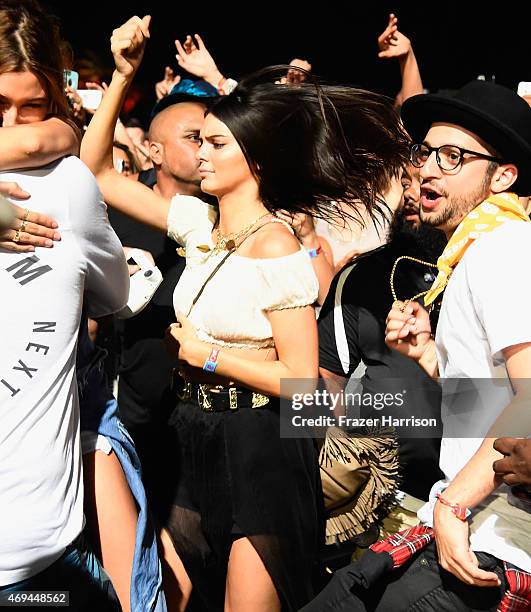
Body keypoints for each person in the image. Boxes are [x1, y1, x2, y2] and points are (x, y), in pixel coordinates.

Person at [80, 15, 409, 611]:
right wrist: (122, 75)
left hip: (260, 446)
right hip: (188, 431)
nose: (199, 156)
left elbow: (305, 383)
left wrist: (206, 353)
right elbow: (99, 170)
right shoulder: (197, 224)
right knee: (176, 598)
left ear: (255, 158)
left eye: (215, 144)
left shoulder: (278, 246)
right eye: (199, 141)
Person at [305, 79, 531, 611]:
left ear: (503, 176)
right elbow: (494, 402)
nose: (427, 169)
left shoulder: (502, 248)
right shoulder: (475, 252)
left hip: (486, 542)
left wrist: (453, 506)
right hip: (460, 531)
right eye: (425, 152)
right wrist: (432, 358)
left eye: (453, 157)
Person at [0, 3, 166, 610]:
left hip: (38, 553)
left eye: (32, 106)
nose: (16, 129)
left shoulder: (67, 187)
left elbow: (114, 292)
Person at [318, 165, 446, 548]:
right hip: (391, 503)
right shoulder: (360, 276)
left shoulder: (503, 268)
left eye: (425, 184)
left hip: (494, 502)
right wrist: (347, 459)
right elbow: (325, 377)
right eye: (406, 182)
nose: (413, 193)